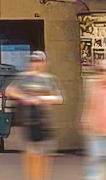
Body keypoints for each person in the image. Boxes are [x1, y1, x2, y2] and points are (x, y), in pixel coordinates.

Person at [6, 51, 64, 180]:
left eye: (39, 61)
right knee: (31, 155)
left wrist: (41, 98)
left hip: (44, 121)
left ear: (44, 63)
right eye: (33, 61)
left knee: (43, 156)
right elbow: (9, 91)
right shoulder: (24, 77)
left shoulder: (47, 79)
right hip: (28, 121)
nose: (36, 64)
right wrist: (25, 96)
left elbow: (58, 98)